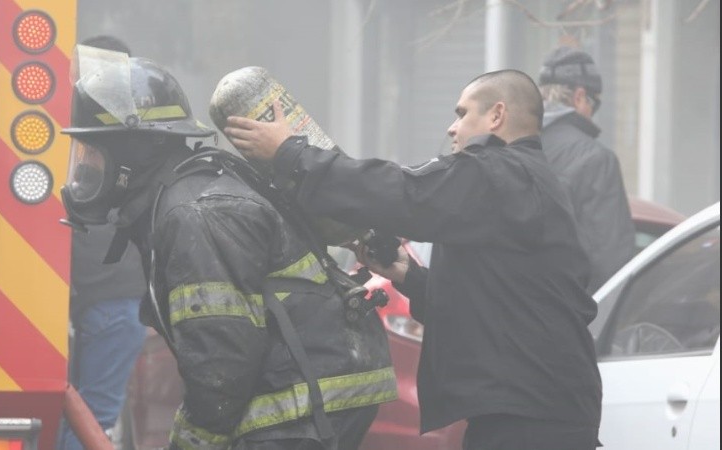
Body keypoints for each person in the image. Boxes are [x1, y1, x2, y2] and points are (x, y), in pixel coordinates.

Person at [224, 69, 603, 449]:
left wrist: (291, 153)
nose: (452, 128)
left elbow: (405, 192)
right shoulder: (524, 181)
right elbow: (498, 304)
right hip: (537, 408)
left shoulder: (500, 173)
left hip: (531, 420)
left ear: (497, 116)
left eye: (462, 113)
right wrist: (409, 276)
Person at [59, 49, 397, 450]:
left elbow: (221, 359)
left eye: (94, 153)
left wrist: (190, 443)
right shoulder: (182, 196)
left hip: (301, 403)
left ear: (133, 151)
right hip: (304, 394)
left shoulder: (194, 212)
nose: (85, 168)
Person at [57, 35, 147, 450]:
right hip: (114, 300)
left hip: (91, 299)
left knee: (74, 416)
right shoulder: (137, 131)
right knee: (91, 420)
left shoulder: (74, 130)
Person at [538, 46, 636, 293]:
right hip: (565, 320)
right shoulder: (596, 160)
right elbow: (611, 261)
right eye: (596, 103)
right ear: (580, 97)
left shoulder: (509, 147)